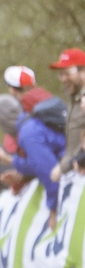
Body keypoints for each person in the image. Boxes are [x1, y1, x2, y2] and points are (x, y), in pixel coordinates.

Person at [0, 66, 66, 229]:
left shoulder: (28, 127)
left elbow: (48, 170)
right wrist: (22, 175)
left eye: (11, 88)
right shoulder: (49, 103)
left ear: (13, 90)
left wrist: (53, 211)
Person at [48, 49, 85, 182]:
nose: (63, 78)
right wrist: (63, 165)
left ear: (83, 71)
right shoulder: (74, 100)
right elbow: (74, 147)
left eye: (68, 73)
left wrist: (63, 167)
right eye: (61, 74)